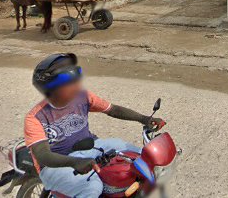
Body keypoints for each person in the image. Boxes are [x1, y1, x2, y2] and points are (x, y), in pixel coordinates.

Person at [24, 53, 165, 198]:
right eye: (69, 83)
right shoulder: (35, 118)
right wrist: (74, 162)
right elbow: (43, 155)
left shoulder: (82, 97)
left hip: (91, 147)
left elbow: (113, 109)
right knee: (92, 188)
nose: (77, 85)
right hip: (56, 166)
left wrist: (144, 119)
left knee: (139, 158)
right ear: (52, 89)